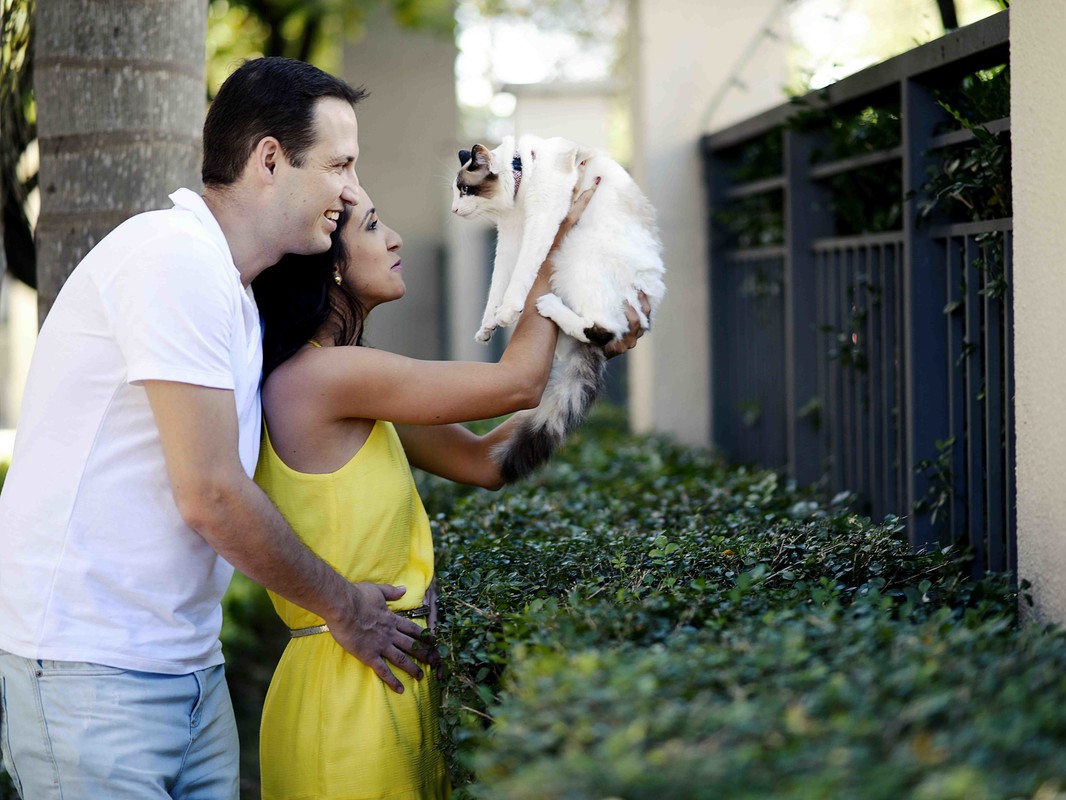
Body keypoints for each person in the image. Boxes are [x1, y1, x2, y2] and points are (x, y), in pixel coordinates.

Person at [0, 57, 433, 799]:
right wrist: (344, 608)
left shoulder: (228, 291)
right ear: (270, 157)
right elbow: (210, 494)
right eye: (340, 166)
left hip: (188, 673)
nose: (353, 192)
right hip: (90, 672)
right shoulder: (174, 260)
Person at [250, 171, 642, 798]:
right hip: (348, 697)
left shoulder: (346, 387)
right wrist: (552, 245)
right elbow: (514, 383)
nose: (396, 238)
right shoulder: (325, 378)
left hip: (382, 675)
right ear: (332, 267)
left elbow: (488, 462)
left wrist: (586, 359)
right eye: (373, 227)